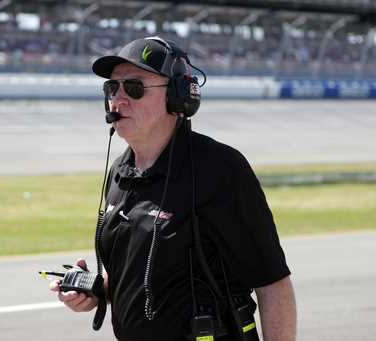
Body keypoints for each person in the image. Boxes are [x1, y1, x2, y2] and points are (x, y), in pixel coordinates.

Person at [50, 36, 297, 341]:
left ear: (178, 96)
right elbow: (139, 278)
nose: (119, 99)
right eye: (112, 87)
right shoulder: (119, 173)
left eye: (135, 87)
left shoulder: (219, 170)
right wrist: (95, 292)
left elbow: (272, 283)